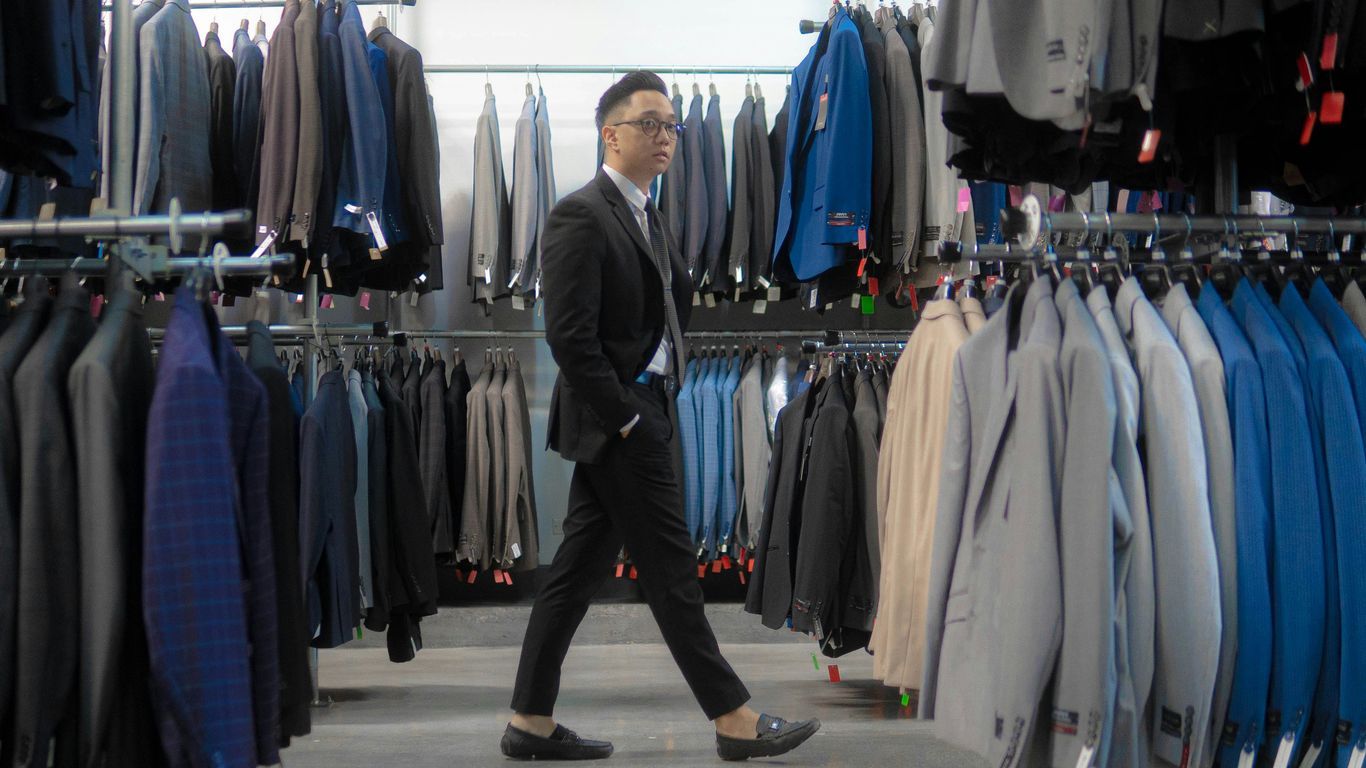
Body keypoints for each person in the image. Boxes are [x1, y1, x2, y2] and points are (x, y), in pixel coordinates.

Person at [501, 71, 820, 762]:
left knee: (578, 572)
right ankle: (732, 716)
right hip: (622, 420)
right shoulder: (579, 214)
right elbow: (570, 339)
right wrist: (625, 420)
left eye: (671, 125)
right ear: (609, 133)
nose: (667, 136)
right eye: (651, 123)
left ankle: (528, 719)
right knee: (673, 572)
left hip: (647, 408)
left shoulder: (648, 213)